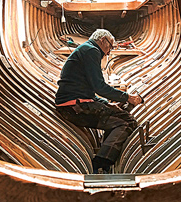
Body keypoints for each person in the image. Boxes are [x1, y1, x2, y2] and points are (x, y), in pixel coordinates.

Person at [55, 29, 143, 174]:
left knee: (116, 113)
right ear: (102, 40)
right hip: (75, 108)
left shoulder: (86, 49)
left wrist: (106, 103)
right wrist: (127, 97)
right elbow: (99, 87)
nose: (109, 53)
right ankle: (101, 164)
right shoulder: (92, 51)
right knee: (127, 121)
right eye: (110, 47)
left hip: (73, 104)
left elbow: (89, 90)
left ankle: (105, 150)